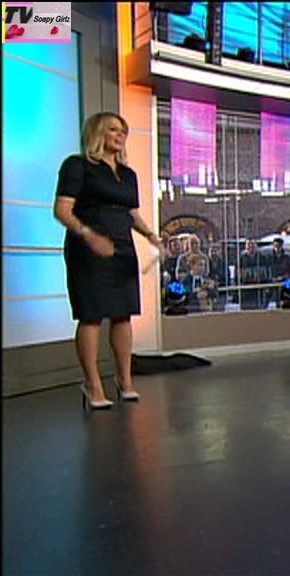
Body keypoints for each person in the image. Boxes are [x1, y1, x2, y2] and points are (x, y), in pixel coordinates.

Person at [53, 112, 163, 409]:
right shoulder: (77, 166)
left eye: (123, 131)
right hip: (88, 248)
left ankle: (124, 380)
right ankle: (92, 384)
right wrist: (89, 235)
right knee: (91, 315)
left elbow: (130, 213)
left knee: (123, 314)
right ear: (97, 132)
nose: (120, 135)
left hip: (122, 249)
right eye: (113, 129)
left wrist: (151, 236)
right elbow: (62, 210)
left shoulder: (128, 175)